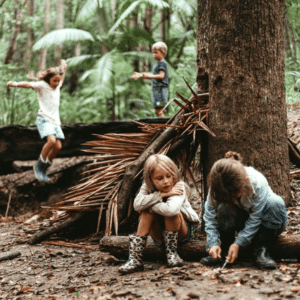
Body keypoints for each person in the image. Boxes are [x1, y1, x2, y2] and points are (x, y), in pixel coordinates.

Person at [201, 151, 288, 269]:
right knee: (223, 207)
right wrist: (213, 243)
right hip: (240, 221)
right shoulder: (218, 186)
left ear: (245, 180)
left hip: (266, 224)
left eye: (234, 194)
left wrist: (239, 244)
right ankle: (224, 249)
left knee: (275, 203)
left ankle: (261, 250)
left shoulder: (257, 182)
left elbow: (255, 218)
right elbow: (210, 216)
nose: (232, 198)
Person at [119, 154, 200, 274]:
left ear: (174, 174)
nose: (166, 181)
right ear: (150, 179)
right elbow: (136, 205)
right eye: (159, 178)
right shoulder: (147, 186)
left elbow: (171, 210)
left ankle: (172, 254)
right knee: (146, 213)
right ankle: (135, 260)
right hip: (159, 236)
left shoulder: (179, 186)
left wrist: (148, 204)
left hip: (181, 233)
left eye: (169, 176)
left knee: (167, 212)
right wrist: (161, 195)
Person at [6, 60, 68, 182]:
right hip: (44, 119)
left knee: (58, 146)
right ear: (48, 79)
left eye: (58, 80)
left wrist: (64, 69)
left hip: (55, 121)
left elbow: (62, 78)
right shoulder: (42, 85)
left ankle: (45, 167)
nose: (56, 83)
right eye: (54, 80)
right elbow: (28, 84)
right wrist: (15, 84)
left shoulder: (58, 84)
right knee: (51, 141)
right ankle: (38, 166)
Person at [131, 42, 169, 118]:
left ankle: (164, 126)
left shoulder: (162, 63)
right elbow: (152, 75)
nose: (154, 54)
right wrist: (141, 75)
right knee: (157, 110)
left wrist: (149, 76)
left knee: (159, 110)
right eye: (153, 53)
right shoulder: (157, 64)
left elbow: (161, 76)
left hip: (160, 89)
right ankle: (162, 125)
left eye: (156, 52)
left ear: (163, 52)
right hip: (156, 89)